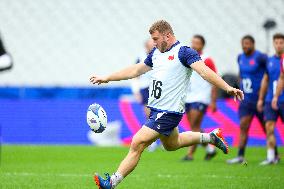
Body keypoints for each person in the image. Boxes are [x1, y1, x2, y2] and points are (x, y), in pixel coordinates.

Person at [90, 20, 244, 189]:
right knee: (172, 144)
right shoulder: (156, 53)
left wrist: (228, 87)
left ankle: (111, 182)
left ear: (168, 35)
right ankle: (211, 137)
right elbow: (135, 70)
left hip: (168, 112)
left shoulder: (184, 52)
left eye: (156, 39)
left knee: (137, 143)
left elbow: (204, 71)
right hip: (157, 109)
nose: (153, 43)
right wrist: (107, 77)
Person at [227, 35, 269, 164]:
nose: (245, 46)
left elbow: (270, 73)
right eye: (243, 43)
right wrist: (239, 89)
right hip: (246, 100)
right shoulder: (240, 57)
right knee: (244, 126)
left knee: (267, 128)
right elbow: (241, 75)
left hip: (260, 99)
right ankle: (240, 156)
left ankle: (273, 155)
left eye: (247, 43)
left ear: (253, 44)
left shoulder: (261, 57)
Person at [182, 35, 217, 161]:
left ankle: (190, 154)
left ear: (202, 45)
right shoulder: (188, 59)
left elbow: (215, 80)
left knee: (194, 126)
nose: (194, 45)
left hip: (202, 97)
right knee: (194, 126)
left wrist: (213, 101)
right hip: (189, 97)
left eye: (197, 43)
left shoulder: (207, 60)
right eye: (193, 42)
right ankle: (210, 147)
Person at [257, 33, 284, 165]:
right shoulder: (270, 61)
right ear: (274, 44)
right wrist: (261, 99)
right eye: (277, 42)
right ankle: (271, 157)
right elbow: (265, 79)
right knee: (269, 127)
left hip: (282, 99)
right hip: (270, 99)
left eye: (281, 43)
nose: (279, 45)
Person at [131, 39, 159, 151]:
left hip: (157, 87)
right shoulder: (141, 57)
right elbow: (135, 75)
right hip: (145, 88)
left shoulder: (160, 56)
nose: (151, 47)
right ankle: (151, 141)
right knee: (149, 115)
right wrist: (136, 91)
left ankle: (162, 138)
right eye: (149, 45)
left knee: (160, 114)